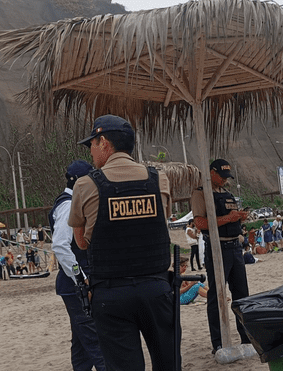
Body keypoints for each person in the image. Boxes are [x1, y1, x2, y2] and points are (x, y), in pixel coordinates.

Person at [68, 115, 179, 370]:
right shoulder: (158, 179)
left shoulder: (86, 185)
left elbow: (81, 243)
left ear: (104, 142)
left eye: (92, 145)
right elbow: (161, 224)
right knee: (168, 362)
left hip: (111, 295)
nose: (92, 152)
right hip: (156, 289)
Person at [49, 159, 106, 371]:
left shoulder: (72, 202)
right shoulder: (68, 205)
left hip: (74, 284)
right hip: (76, 285)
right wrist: (80, 277)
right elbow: (61, 246)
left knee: (82, 344)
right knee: (95, 341)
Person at [190, 158, 251, 355]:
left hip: (235, 247)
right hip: (217, 248)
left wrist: (240, 217)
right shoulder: (201, 193)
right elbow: (200, 223)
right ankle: (218, 343)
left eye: (227, 178)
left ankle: (246, 338)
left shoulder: (228, 194)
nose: (225, 181)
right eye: (222, 177)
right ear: (211, 173)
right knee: (216, 297)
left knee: (242, 295)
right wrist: (228, 218)